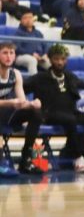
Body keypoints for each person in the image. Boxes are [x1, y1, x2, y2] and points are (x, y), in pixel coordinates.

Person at [26, 44, 84, 172]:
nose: (60, 62)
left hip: (71, 112)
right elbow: (21, 87)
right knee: (70, 120)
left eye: (63, 59)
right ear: (50, 59)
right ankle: (78, 157)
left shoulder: (70, 76)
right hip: (49, 114)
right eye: (56, 59)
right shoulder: (40, 78)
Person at [0, 41, 44, 174]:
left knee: (35, 113)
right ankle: (2, 162)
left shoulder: (16, 74)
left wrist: (32, 104)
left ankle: (26, 159)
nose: (8, 56)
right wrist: (11, 102)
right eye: (4, 53)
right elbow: (14, 102)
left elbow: (21, 101)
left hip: (7, 114)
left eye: (11, 53)